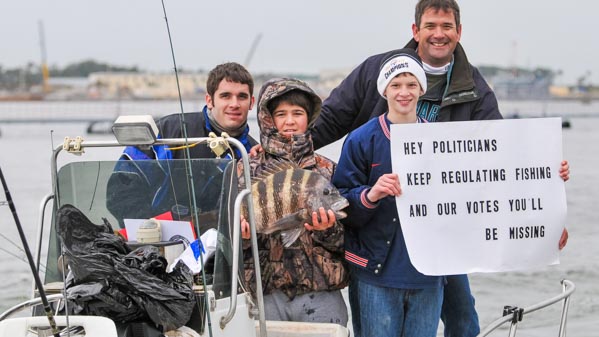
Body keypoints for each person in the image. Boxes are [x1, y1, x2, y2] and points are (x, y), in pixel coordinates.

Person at [303, 1, 570, 336]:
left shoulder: (474, 86)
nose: (439, 34)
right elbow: (327, 121)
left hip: (440, 228)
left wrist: (546, 202)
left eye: (447, 26)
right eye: (430, 26)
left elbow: (505, 159)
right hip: (380, 227)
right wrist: (276, 153)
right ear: (415, 31)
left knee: (463, 320)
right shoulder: (376, 71)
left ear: (458, 32)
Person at [332, 49, 443, 337]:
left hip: (428, 276)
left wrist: (548, 176)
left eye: (411, 84)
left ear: (421, 89)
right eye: (395, 85)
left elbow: (480, 187)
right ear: (384, 90)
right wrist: (371, 195)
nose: (403, 92)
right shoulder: (360, 140)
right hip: (374, 274)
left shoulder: (442, 140)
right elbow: (340, 202)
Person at [239, 78, 349, 325]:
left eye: (298, 113)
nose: (290, 121)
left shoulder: (327, 170)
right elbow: (229, 239)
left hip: (321, 293)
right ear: (269, 119)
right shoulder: (245, 168)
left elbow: (347, 241)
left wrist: (327, 230)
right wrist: (243, 237)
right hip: (264, 293)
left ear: (309, 118)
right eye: (281, 114)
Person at [106, 62, 257, 225]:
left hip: (225, 247)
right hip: (159, 240)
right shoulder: (169, 132)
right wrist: (151, 229)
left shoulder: (253, 153)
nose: (234, 104)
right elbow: (121, 190)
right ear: (209, 100)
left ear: (251, 102)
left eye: (242, 96)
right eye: (225, 96)